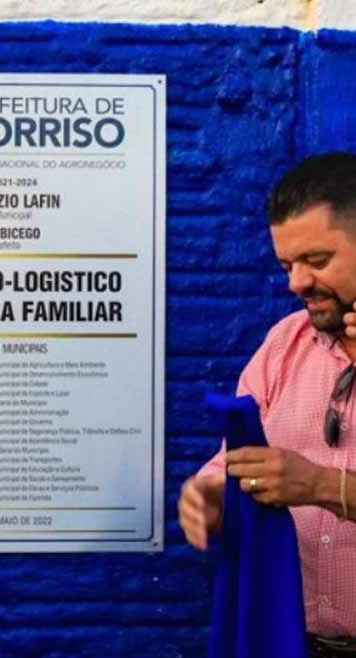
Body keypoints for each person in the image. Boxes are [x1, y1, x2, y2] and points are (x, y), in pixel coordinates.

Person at [178, 152, 356, 657]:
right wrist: (213, 495)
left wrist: (320, 485)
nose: (295, 283)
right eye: (287, 265)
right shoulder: (283, 344)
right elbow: (232, 461)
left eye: (317, 262)